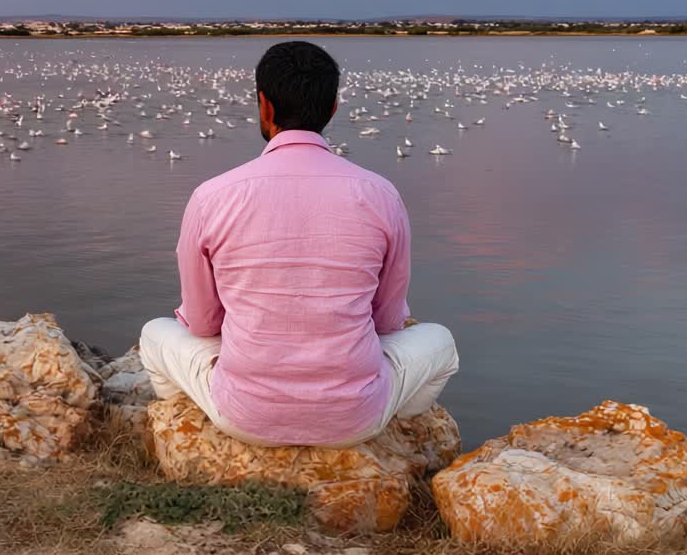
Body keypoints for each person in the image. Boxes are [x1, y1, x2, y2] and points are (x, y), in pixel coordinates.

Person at [139, 41, 458, 448]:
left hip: (244, 415)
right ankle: (402, 422)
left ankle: (182, 424)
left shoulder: (212, 196)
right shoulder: (380, 194)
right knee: (441, 342)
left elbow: (203, 324)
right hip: (355, 419)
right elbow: (387, 324)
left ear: (264, 107)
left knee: (155, 332)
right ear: (332, 109)